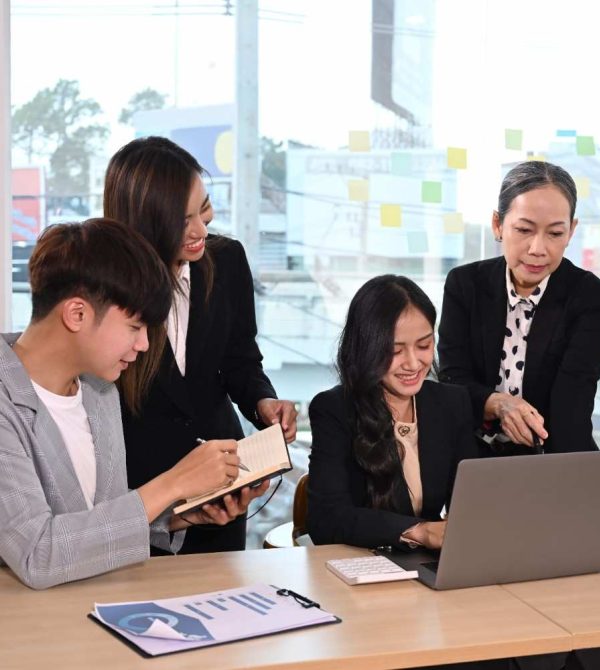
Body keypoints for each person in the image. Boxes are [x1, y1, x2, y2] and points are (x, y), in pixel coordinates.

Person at [0, 219, 267, 590]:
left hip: (105, 611)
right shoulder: (6, 398)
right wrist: (172, 484)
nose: (143, 346)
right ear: (76, 314)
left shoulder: (99, 390)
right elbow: (37, 553)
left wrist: (181, 515)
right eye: (134, 327)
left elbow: (95, 521)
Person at [103, 137, 297, 554]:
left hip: (222, 487)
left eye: (204, 209)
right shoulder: (108, 283)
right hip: (141, 492)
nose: (200, 230)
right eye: (181, 219)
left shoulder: (226, 261)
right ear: (143, 221)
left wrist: (263, 401)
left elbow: (240, 358)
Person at [438, 161, 600, 457]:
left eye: (555, 234)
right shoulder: (465, 285)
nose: (537, 249)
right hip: (472, 455)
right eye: (524, 230)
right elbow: (453, 383)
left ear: (571, 231)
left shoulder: (588, 296)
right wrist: (499, 403)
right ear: (498, 224)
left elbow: (572, 405)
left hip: (553, 457)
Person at [307, 275, 476, 550]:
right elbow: (325, 520)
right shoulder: (334, 410)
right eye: (394, 351)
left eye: (424, 345)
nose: (413, 363)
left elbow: (472, 502)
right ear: (366, 349)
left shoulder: (451, 403)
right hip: (362, 564)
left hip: (431, 566)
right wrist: (419, 531)